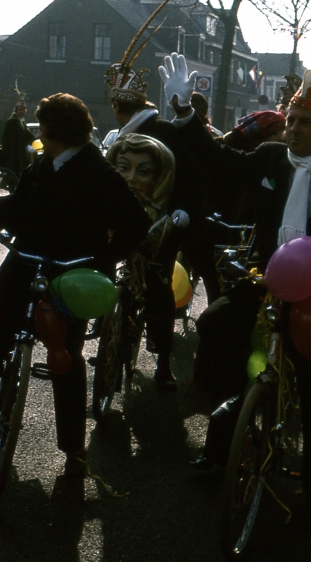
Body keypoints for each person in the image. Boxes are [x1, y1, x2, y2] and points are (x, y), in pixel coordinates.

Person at [159, 54, 311, 527]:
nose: (292, 129)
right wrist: (185, 113)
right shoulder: (272, 159)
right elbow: (219, 161)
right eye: (290, 120)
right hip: (268, 280)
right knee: (216, 326)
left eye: (304, 123)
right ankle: (226, 439)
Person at [0, 93, 150, 476]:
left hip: (72, 275)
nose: (39, 134)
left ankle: (73, 448)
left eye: (42, 127)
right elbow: (18, 209)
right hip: (28, 261)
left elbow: (136, 224)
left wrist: (103, 260)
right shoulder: (43, 164)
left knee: (64, 356)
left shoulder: (98, 173)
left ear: (53, 131)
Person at [106, 133, 188, 391]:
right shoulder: (110, 200)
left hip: (153, 255)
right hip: (120, 251)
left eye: (143, 172)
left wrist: (179, 217)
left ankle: (163, 364)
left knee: (160, 293)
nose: (131, 178)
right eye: (123, 168)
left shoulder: (164, 210)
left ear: (158, 177)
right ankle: (108, 336)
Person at [0, 100, 35, 176]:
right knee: (13, 172)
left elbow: (27, 134)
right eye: (20, 109)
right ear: (16, 110)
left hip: (21, 151)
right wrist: (6, 153)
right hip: (13, 152)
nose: (22, 111)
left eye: (23, 110)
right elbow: (5, 138)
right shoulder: (11, 122)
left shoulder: (22, 121)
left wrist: (34, 141)